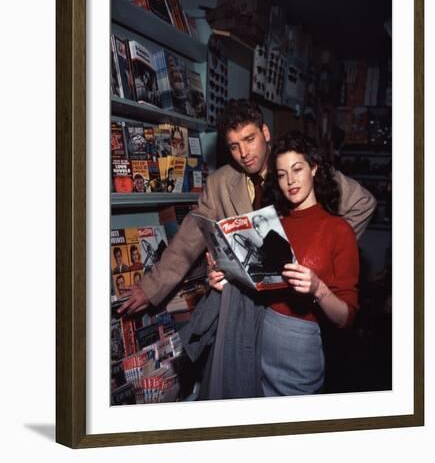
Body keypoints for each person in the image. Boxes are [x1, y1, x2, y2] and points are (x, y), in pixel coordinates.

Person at [118, 99, 376, 318]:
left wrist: (323, 254)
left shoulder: (298, 166)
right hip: (245, 307)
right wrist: (151, 287)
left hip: (300, 309)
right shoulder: (219, 183)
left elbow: (363, 204)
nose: (243, 153)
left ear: (265, 132)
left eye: (249, 139)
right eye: (233, 146)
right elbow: (188, 239)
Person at [206, 130, 360, 397]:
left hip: (301, 348)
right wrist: (226, 281)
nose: (290, 181)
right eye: (281, 174)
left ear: (314, 168)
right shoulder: (270, 226)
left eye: (297, 169)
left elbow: (346, 317)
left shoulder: (338, 230)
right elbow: (257, 287)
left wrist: (319, 289)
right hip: (257, 338)